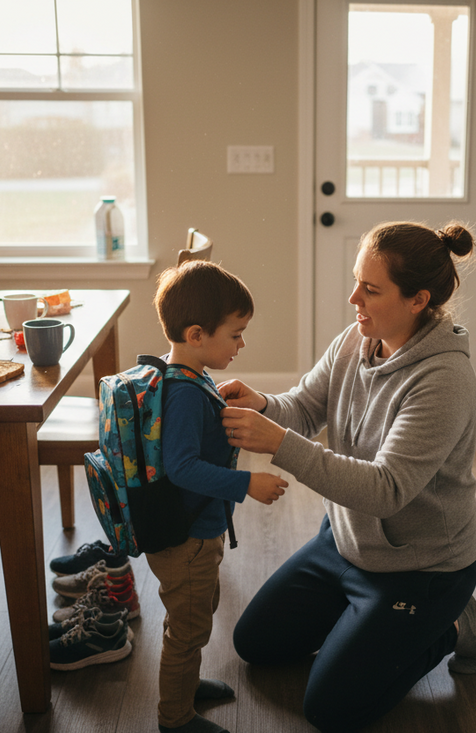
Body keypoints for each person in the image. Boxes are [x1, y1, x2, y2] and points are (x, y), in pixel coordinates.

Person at [219, 221, 476, 732]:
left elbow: (386, 491)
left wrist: (277, 442)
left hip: (421, 568)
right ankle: (362, 620)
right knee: (255, 645)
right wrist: (263, 405)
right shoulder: (356, 340)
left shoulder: (445, 379)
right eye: (356, 281)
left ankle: (448, 624)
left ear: (417, 300)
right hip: (343, 542)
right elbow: (303, 406)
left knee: (332, 709)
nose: (352, 298)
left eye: (370, 288)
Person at [150, 260, 290, 733]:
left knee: (198, 612)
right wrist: (246, 485)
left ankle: (185, 688)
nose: (242, 343)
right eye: (235, 334)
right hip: (186, 537)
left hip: (199, 530)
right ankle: (175, 717)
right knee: (187, 630)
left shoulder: (192, 378)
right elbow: (182, 467)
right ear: (196, 334)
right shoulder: (185, 392)